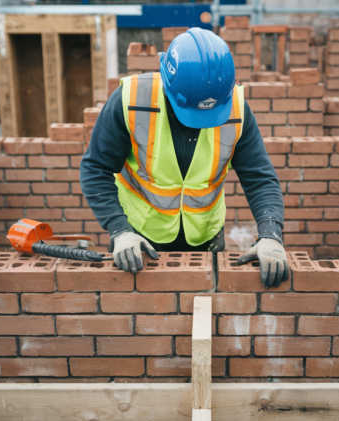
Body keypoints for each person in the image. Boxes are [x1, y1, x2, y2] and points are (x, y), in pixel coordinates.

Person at [80, 28, 288, 288]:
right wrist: (119, 229)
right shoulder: (131, 100)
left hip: (206, 238)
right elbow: (95, 168)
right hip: (139, 239)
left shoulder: (235, 108)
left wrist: (271, 235)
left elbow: (260, 178)